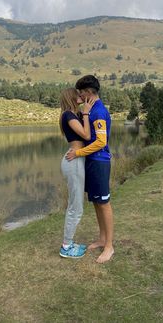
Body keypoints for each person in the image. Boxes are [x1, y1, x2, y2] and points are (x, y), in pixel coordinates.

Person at [66, 75, 114, 263]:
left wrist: (78, 154)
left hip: (100, 162)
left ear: (88, 93)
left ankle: (109, 246)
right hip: (91, 162)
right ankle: (102, 239)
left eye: (80, 92)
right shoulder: (91, 109)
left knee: (104, 202)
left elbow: (101, 142)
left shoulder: (99, 112)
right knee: (96, 201)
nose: (78, 95)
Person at [59, 87, 94, 259]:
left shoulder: (75, 115)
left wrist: (85, 112)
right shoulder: (68, 115)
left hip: (77, 160)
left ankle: (69, 243)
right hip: (74, 161)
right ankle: (66, 246)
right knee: (76, 207)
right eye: (78, 94)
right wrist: (86, 114)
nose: (81, 96)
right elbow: (86, 135)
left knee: (75, 204)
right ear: (71, 97)